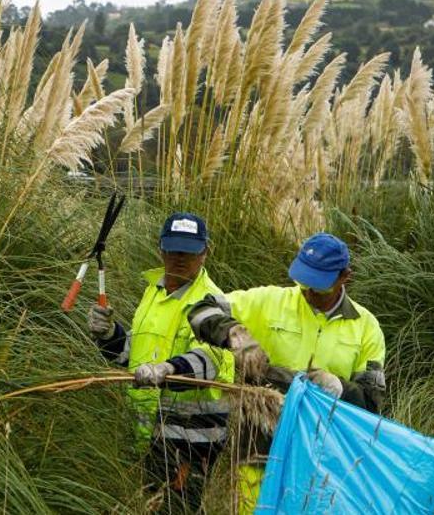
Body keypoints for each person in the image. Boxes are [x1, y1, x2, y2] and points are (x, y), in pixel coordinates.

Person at [185, 232, 387, 513]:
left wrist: (340, 387)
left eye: (319, 286)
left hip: (323, 461)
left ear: (345, 277)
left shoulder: (366, 327)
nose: (309, 293)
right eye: (304, 282)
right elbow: (199, 309)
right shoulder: (270, 301)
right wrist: (234, 334)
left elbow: (372, 406)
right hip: (258, 451)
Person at [88, 212, 235, 513]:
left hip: (191, 440)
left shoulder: (213, 300)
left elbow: (210, 358)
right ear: (161, 249)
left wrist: (168, 370)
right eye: (173, 249)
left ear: (206, 252)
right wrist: (109, 336)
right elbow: (135, 353)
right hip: (145, 434)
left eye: (189, 251)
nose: (180, 258)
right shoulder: (153, 291)